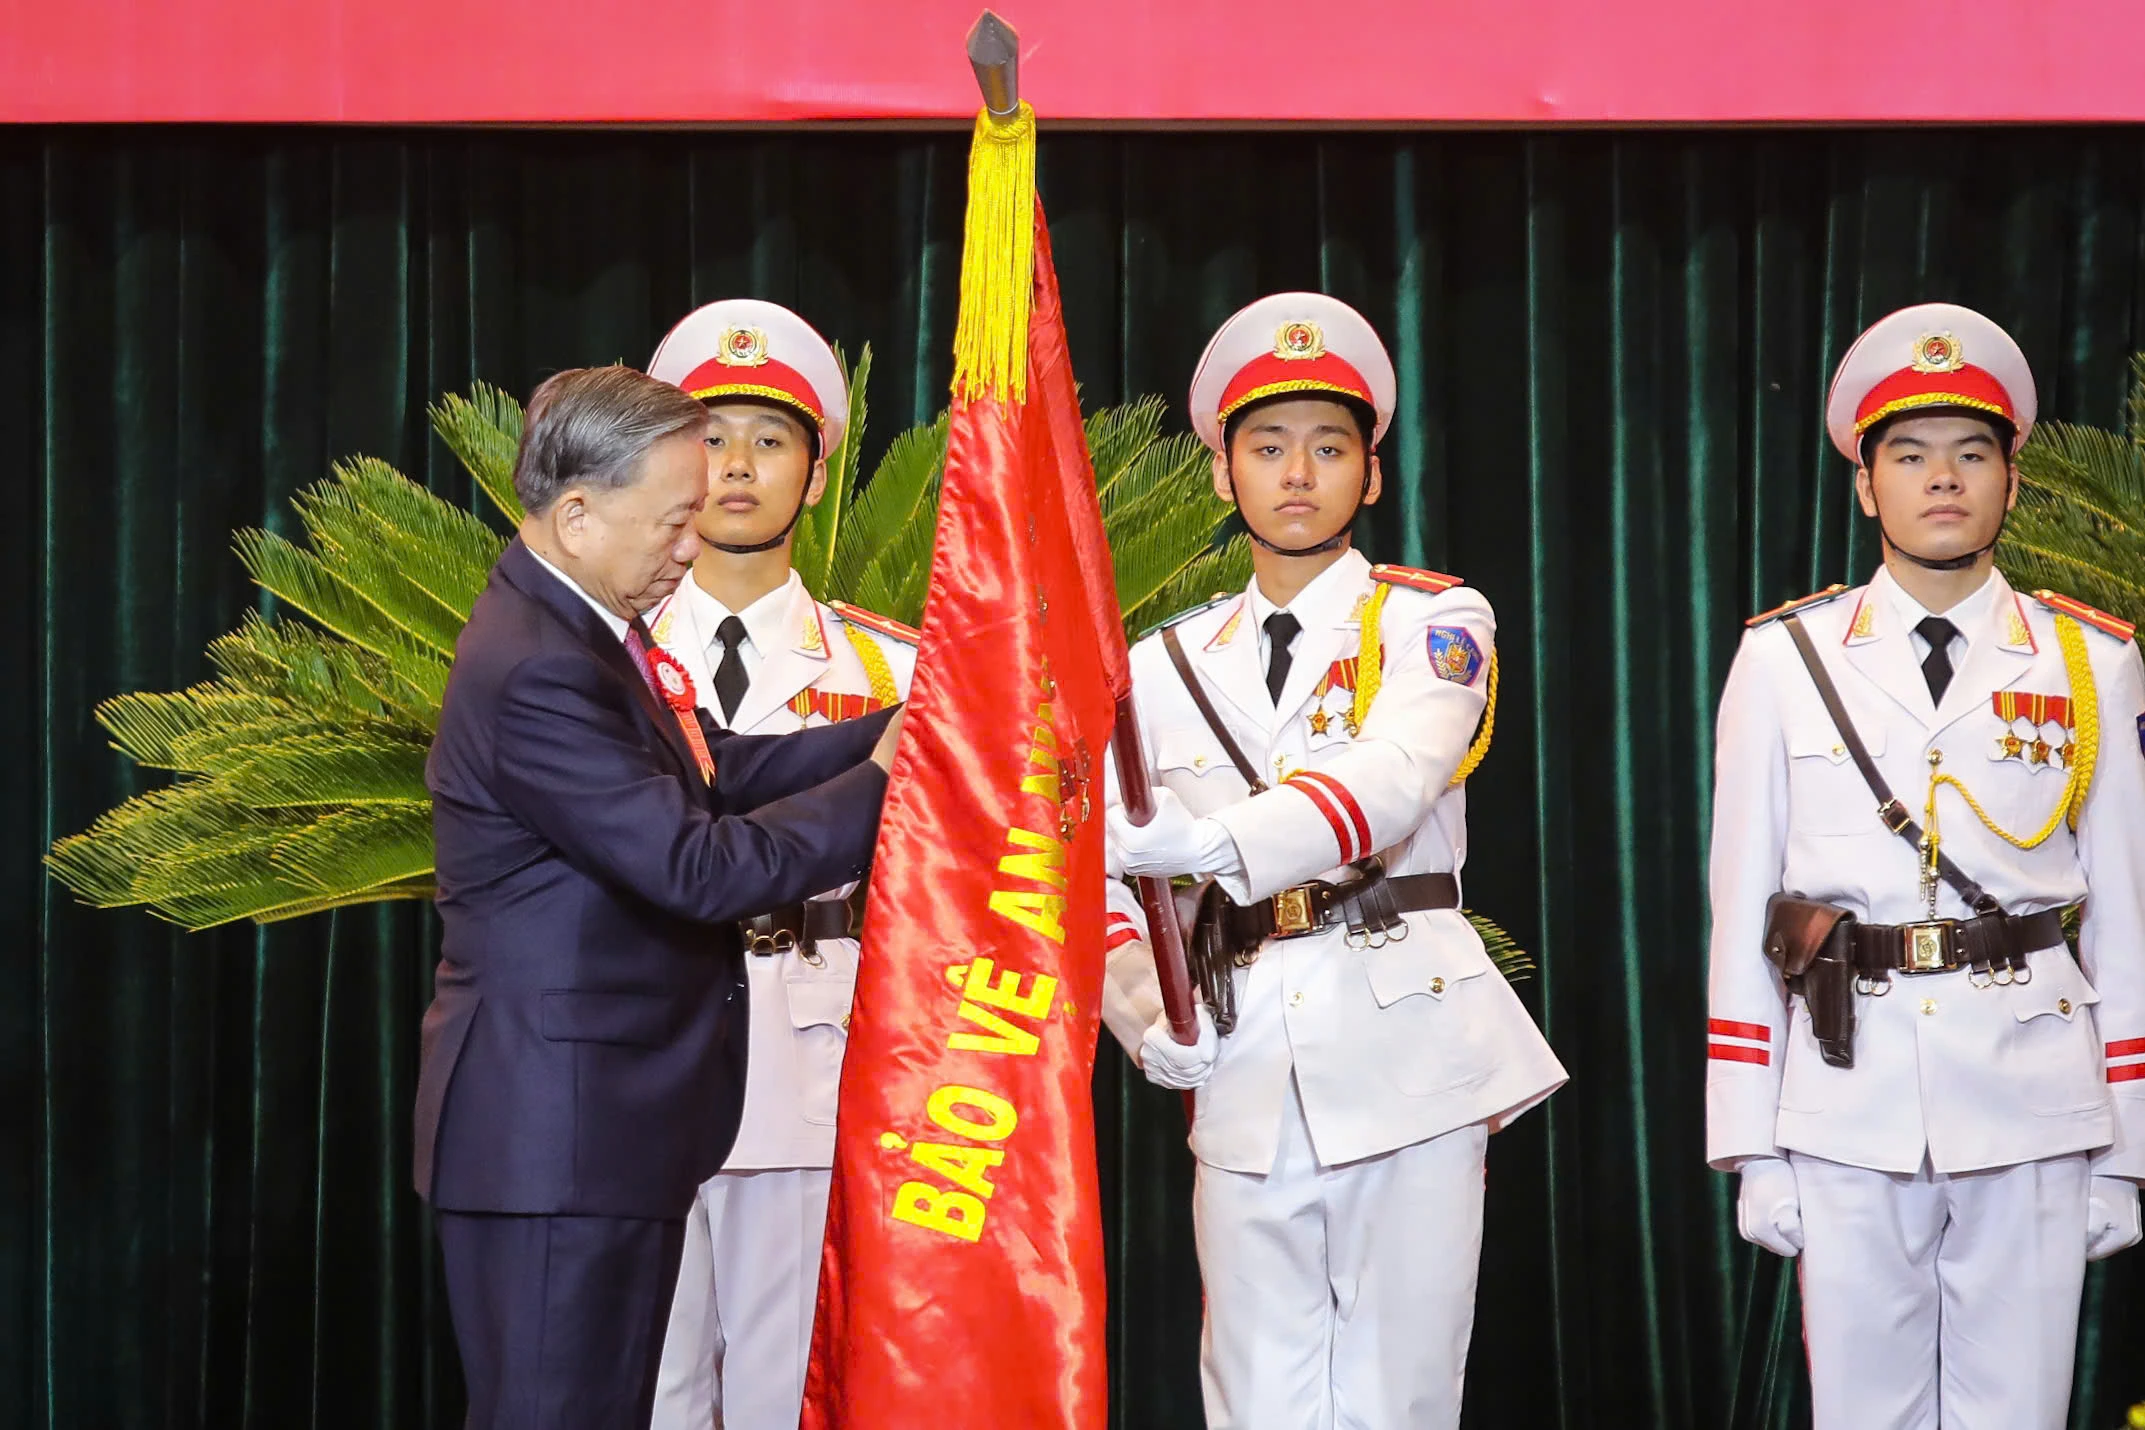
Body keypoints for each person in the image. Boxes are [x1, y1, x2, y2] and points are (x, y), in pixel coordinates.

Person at [1103, 293, 1567, 1429]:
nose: (1297, 472)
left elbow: (1395, 778)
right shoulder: (1155, 663)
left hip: (1406, 1034)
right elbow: (1110, 878)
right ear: (1223, 474)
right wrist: (1138, 1010)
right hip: (1245, 1049)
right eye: (1267, 447)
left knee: (1399, 1392)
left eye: (1328, 445)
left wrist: (1214, 841)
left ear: (1370, 474)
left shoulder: (1434, 619)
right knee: (1253, 1393)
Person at [413, 365, 903, 1430]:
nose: (690, 546)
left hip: (597, 1132)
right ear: (579, 512)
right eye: (673, 520)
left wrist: (896, 732)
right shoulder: (539, 665)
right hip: (561, 1136)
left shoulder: (576, 630)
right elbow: (699, 866)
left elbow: (713, 764)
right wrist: (882, 785)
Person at [1706, 302, 2145, 1428]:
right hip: (1847, 1093)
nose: (1940, 479)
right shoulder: (1783, 658)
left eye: (1970, 454)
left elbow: (2133, 914)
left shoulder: (2093, 659)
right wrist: (1750, 1139)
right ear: (1866, 485)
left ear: (2011, 482)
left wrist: (2127, 1149)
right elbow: (1743, 905)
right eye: (1908, 455)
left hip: (2037, 1096)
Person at [639, 300, 917, 1430]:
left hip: (815, 1066)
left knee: (787, 1394)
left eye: (770, 441)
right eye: (710, 438)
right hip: (641, 1059)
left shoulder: (895, 666)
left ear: (814, 478)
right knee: (642, 1394)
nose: (737, 467)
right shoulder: (611, 655)